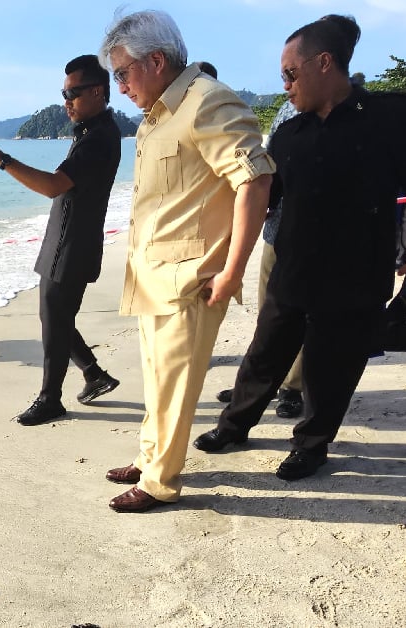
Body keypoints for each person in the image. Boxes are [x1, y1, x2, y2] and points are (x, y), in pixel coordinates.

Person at [193, 15, 406, 480]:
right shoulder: (290, 134)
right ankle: (235, 425)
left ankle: (312, 445)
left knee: (330, 371)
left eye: (290, 74)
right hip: (293, 268)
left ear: (324, 63)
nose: (286, 86)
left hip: (357, 278)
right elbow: (263, 200)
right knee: (263, 355)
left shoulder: (394, 118)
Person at [98, 9, 275, 512]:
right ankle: (151, 455)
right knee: (156, 376)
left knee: (176, 383)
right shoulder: (158, 115)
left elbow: (254, 180)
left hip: (191, 277)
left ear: (156, 61)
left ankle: (160, 481)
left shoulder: (206, 102)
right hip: (152, 274)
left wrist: (233, 269)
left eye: (123, 73)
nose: (121, 86)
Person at [0, 54, 122, 426]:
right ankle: (93, 373)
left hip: (73, 243)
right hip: (66, 238)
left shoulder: (100, 138)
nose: (66, 101)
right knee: (53, 315)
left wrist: (3, 160)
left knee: (55, 317)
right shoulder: (92, 132)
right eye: (63, 93)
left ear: (98, 92)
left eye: (72, 93)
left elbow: (54, 185)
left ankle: (50, 398)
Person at [215, 97, 306, 419]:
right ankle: (257, 385)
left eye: (292, 72)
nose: (286, 83)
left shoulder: (346, 112)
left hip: (317, 237)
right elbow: (270, 162)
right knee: (269, 315)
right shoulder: (287, 108)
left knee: (301, 316)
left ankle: (292, 389)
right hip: (277, 229)